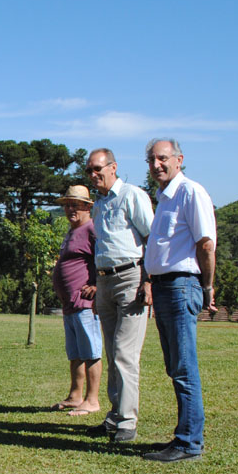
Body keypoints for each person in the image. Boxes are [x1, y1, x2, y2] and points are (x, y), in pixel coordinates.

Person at [141, 138, 216, 463]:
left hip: (181, 285)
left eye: (163, 158)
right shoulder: (164, 197)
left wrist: (207, 286)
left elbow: (206, 244)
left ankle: (188, 443)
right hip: (164, 287)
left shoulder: (190, 192)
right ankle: (184, 437)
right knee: (175, 366)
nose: (156, 165)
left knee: (184, 368)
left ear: (179, 159)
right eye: (151, 160)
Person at [87, 148, 154, 443]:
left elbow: (152, 238)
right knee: (113, 352)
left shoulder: (132, 195)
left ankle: (127, 421)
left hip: (131, 278)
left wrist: (148, 280)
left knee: (126, 353)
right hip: (105, 281)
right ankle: (115, 416)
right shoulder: (98, 204)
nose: (93, 175)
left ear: (113, 167)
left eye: (97, 169)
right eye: (89, 170)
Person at [50, 185, 103, 416]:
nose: (70, 209)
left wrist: (98, 285)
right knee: (75, 352)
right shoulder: (72, 231)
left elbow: (104, 257)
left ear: (87, 207)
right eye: (67, 205)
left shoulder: (92, 229)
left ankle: (92, 400)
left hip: (84, 304)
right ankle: (75, 395)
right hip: (69, 304)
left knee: (91, 351)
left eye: (76, 205)